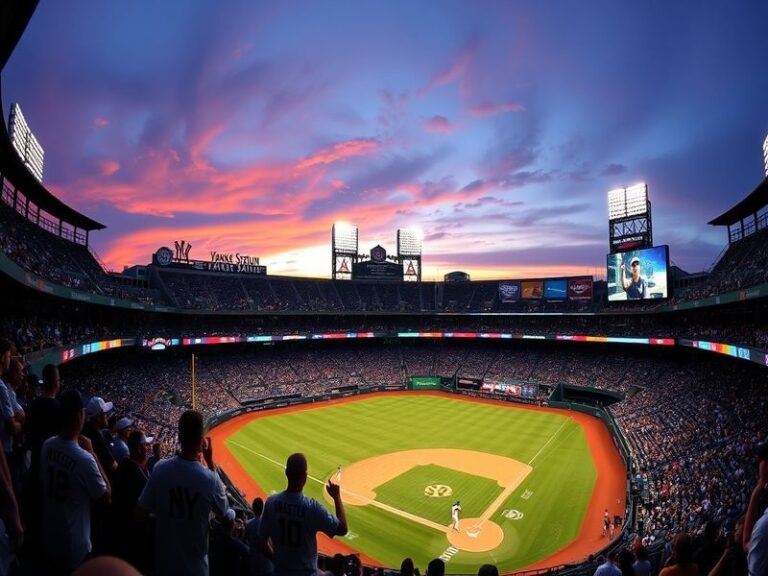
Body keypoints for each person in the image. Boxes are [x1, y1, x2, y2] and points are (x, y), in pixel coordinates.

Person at [138, 410, 229, 576]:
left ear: (179, 437)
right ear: (202, 441)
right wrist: (209, 462)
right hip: (197, 568)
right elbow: (224, 512)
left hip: (164, 565)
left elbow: (142, 510)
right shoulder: (210, 479)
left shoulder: (160, 469)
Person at [39, 389, 111, 574]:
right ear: (80, 415)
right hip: (75, 546)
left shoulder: (47, 445)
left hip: (50, 538)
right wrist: (93, 453)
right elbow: (106, 497)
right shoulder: (84, 458)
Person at [259, 453, 347, 576]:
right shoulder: (312, 508)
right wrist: (337, 497)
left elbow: (262, 542)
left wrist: (277, 562)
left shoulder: (271, 503)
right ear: (305, 477)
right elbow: (342, 529)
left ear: (286, 473)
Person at [245, 497, 273, 576]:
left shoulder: (247, 524)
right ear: (263, 509)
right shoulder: (268, 524)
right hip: (267, 566)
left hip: (253, 563)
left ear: (253, 508)